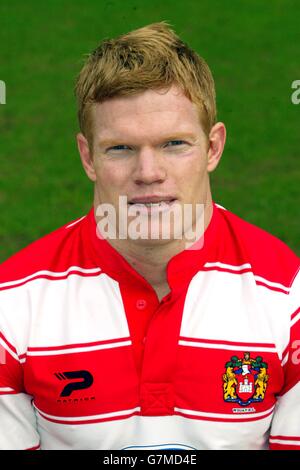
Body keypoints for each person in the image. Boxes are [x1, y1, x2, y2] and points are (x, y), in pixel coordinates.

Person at [0, 22, 299, 451]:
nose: (148, 173)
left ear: (213, 148)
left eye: (174, 144)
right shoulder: (12, 303)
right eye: (120, 148)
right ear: (87, 156)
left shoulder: (288, 296)